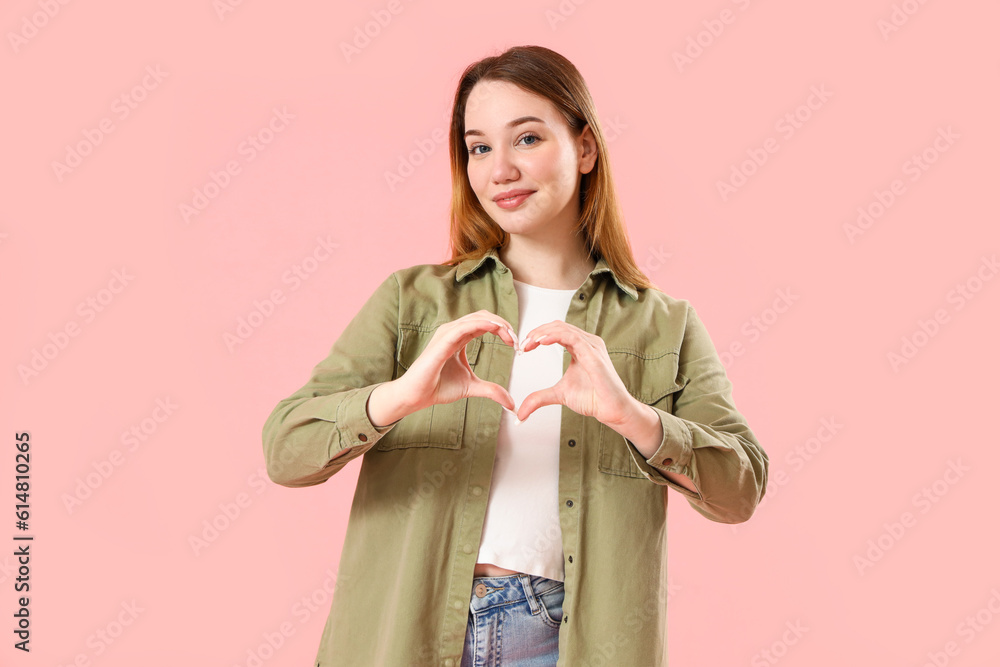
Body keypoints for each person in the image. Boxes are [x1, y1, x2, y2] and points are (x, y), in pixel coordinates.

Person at [262, 44, 768, 667]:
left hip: (565, 642)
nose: (499, 169)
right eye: (478, 147)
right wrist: (400, 397)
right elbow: (286, 451)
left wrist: (635, 418)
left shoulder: (664, 324)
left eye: (526, 138)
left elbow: (740, 490)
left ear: (585, 149)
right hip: (403, 636)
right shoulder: (412, 301)